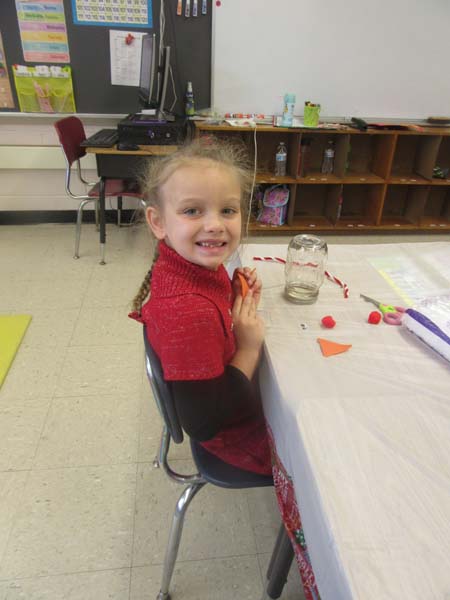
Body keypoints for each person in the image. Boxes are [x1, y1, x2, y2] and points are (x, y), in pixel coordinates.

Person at [129, 138, 272, 475]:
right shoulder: (190, 312)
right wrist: (248, 348)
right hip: (239, 441)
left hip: (232, 404)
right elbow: (204, 424)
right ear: (158, 221)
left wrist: (235, 297)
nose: (215, 225)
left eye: (228, 210)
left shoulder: (188, 265)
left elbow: (210, 315)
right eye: (192, 210)